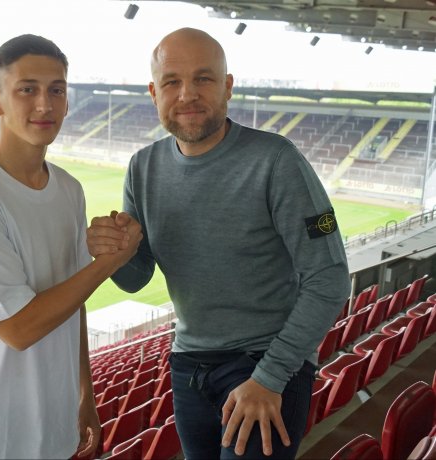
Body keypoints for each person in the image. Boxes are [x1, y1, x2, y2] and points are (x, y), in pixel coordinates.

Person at [87, 27, 351, 459]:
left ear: (227, 86)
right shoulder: (142, 167)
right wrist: (110, 252)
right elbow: (136, 278)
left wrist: (269, 377)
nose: (187, 94)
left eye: (204, 78)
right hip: (189, 367)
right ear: (154, 92)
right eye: (172, 81)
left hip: (265, 361)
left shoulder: (276, 161)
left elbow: (330, 278)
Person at [0, 34, 142, 459]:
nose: (45, 105)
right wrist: (109, 262)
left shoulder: (69, 189)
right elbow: (18, 328)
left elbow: (73, 299)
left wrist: (85, 392)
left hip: (56, 425)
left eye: (57, 90)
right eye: (27, 89)